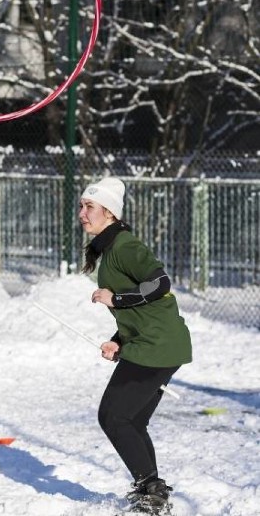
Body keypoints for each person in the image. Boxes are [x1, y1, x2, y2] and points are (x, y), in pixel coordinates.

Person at [80, 176, 192, 515]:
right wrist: (117, 341)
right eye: (82, 206)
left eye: (89, 207)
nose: (82, 214)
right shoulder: (111, 249)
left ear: (110, 213)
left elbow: (160, 283)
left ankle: (151, 492)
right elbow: (139, 310)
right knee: (131, 419)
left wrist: (117, 297)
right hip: (152, 343)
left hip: (157, 345)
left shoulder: (126, 246)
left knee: (114, 416)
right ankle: (150, 489)